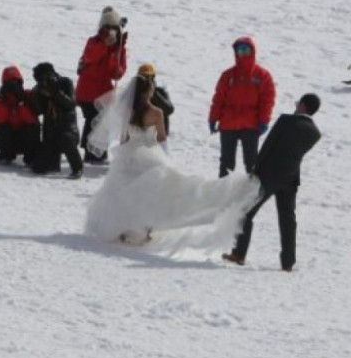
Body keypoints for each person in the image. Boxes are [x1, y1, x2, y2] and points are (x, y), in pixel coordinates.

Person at [85, 76, 260, 253]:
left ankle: (122, 228)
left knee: (123, 193)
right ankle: (141, 230)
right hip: (149, 154)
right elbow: (161, 138)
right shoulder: (156, 113)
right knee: (153, 195)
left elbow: (124, 139)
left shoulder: (127, 112)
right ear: (148, 92)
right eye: (152, 89)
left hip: (128, 155)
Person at [223, 94, 322, 271]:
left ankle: (239, 253)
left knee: (247, 212)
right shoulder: (315, 133)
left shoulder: (286, 121)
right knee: (287, 220)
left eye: (298, 103)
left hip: (268, 175)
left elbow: (268, 146)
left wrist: (255, 171)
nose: (296, 105)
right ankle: (288, 262)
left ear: (303, 106)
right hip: (291, 179)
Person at [208, 37, 276, 178]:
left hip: (251, 124)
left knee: (251, 162)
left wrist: (264, 121)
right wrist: (213, 118)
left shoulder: (262, 76)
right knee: (227, 162)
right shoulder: (228, 75)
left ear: (252, 52)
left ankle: (251, 195)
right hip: (228, 123)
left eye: (246, 50)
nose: (243, 53)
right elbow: (219, 98)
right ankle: (223, 193)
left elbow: (267, 101)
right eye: (240, 50)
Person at [75, 6, 128, 164]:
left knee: (100, 121)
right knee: (94, 120)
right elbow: (90, 57)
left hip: (104, 92)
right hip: (88, 91)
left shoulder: (119, 48)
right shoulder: (94, 42)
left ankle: (97, 152)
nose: (111, 31)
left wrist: (115, 51)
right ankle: (92, 153)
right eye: (108, 27)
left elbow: (117, 73)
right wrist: (106, 46)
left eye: (114, 27)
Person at [30, 62, 84, 179]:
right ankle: (53, 163)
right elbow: (38, 111)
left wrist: (56, 93)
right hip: (51, 132)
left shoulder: (65, 83)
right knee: (39, 168)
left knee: (66, 139)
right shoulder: (40, 89)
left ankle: (77, 168)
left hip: (67, 129)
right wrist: (37, 95)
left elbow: (70, 105)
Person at [0, 66, 40, 166]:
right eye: (9, 83)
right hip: (9, 136)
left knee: (32, 129)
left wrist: (21, 102)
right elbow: (0, 119)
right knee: (0, 129)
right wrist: (2, 101)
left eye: (16, 82)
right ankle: (6, 154)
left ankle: (31, 157)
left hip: (25, 136)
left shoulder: (28, 95)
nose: (13, 86)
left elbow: (31, 120)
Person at [137, 63, 175, 136]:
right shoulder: (134, 94)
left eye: (147, 77)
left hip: (158, 134)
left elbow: (169, 109)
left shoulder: (160, 92)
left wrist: (153, 93)